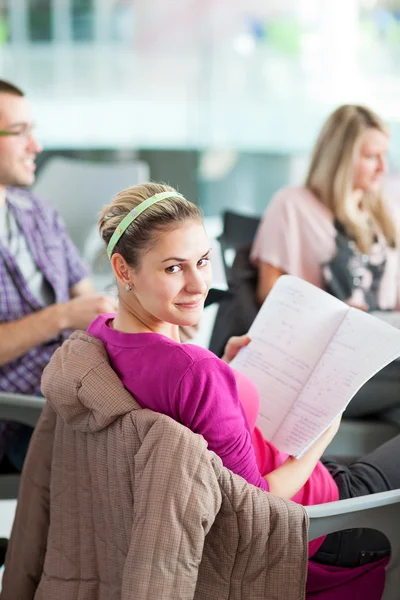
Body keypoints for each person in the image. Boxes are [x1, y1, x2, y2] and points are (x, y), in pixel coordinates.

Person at [71, 181, 399, 569]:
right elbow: (256, 505)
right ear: (123, 268)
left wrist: (223, 368)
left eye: (204, 261)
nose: (198, 285)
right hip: (316, 525)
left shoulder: (101, 336)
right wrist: (324, 432)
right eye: (174, 267)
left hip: (281, 471)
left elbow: (184, 409)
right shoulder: (194, 372)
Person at [251, 104, 400, 419]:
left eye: (384, 156)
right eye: (371, 157)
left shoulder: (383, 210)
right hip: (329, 360)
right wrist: (341, 314)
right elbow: (272, 296)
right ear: (341, 159)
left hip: (385, 348)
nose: (382, 168)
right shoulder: (292, 205)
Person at [0, 79, 114, 471]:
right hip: (17, 416)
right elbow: (75, 310)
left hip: (71, 384)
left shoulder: (38, 212)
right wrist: (63, 316)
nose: (37, 146)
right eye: (20, 133)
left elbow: (91, 307)